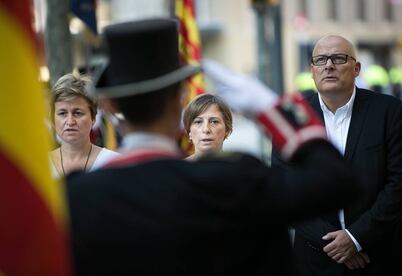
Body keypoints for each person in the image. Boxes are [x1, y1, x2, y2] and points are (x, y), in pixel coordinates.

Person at [66, 19, 359, 275]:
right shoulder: (232, 180)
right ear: (181, 100)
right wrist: (271, 109)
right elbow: (337, 182)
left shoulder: (76, 198)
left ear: (110, 105)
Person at [288, 35, 402, 275]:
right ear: (312, 70)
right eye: (321, 59)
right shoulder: (292, 117)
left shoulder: (390, 112)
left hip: (380, 258)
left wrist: (355, 238)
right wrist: (334, 245)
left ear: (356, 68)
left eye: (338, 58)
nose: (329, 65)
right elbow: (285, 189)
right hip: (315, 262)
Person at [49, 73, 119, 178]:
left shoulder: (113, 163)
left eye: (78, 113)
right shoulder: (40, 166)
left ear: (93, 118)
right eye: (62, 113)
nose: (70, 121)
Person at [182, 93, 232, 160]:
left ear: (227, 129)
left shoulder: (242, 169)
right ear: (189, 132)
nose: (206, 129)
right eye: (198, 122)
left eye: (214, 122)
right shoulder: (175, 170)